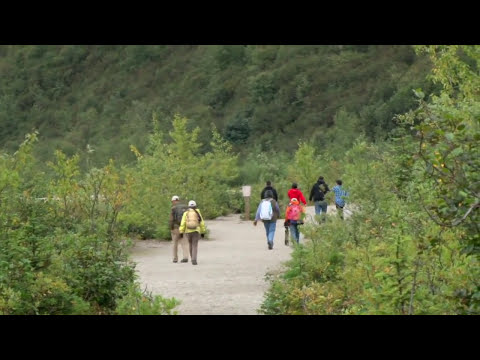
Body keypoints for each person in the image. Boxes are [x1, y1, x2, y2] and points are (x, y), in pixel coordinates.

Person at [179, 200, 206, 265]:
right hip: (196, 231)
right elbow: (201, 223)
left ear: (188, 206)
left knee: (190, 245)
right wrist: (203, 231)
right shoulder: (197, 212)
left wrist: (181, 231)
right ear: (195, 206)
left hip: (188, 231)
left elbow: (183, 223)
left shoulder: (186, 213)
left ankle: (192, 258)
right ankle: (194, 259)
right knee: (195, 245)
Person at [169, 195, 189, 263]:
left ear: (174, 201)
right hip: (184, 227)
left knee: (175, 243)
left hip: (175, 228)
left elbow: (171, 219)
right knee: (185, 243)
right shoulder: (185, 207)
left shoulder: (173, 208)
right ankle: (185, 257)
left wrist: (171, 228)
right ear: (179, 200)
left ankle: (175, 258)